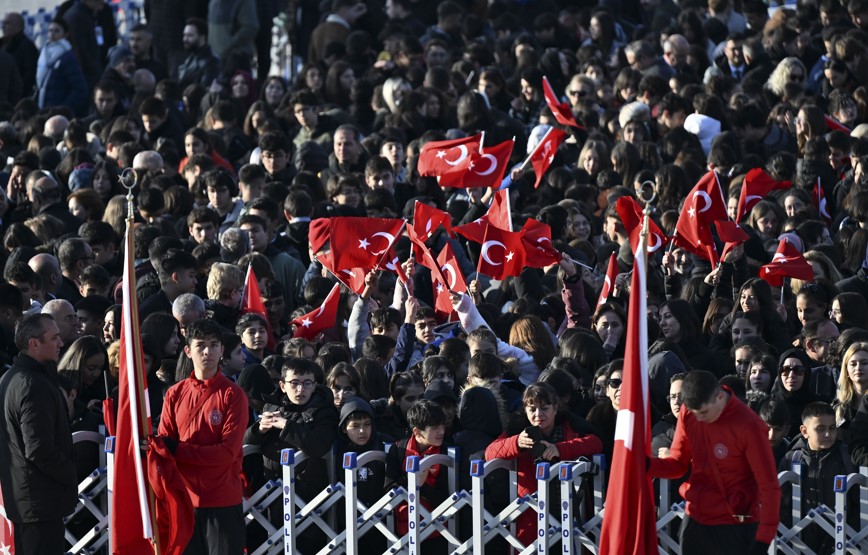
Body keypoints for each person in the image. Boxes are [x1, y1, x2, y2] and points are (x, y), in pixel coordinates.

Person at [649, 370, 780, 554]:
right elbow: (678, 464)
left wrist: (763, 540)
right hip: (696, 517)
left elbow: (769, 485)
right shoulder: (689, 413)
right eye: (695, 413)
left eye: (703, 412)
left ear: (719, 397)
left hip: (736, 523)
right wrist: (646, 465)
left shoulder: (748, 426)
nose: (699, 418)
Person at [157, 318, 248, 555]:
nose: (207, 351)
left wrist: (179, 450)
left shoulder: (233, 395)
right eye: (200, 345)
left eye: (214, 344)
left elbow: (227, 453)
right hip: (184, 501)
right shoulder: (174, 394)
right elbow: (164, 446)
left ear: (221, 350)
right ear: (187, 351)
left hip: (222, 500)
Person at [0, 313, 77, 554]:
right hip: (40, 502)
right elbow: (39, 448)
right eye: (54, 338)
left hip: (29, 500)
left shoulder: (12, 377)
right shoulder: (32, 384)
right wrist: (69, 472)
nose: (61, 343)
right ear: (34, 343)